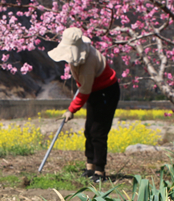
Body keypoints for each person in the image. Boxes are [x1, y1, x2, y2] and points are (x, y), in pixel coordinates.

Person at [48, 27, 120, 183]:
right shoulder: (80, 52)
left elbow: (85, 90)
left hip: (106, 92)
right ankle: (90, 168)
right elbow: (86, 88)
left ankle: (100, 172)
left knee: (98, 132)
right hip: (95, 91)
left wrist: (71, 110)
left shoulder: (88, 62)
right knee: (89, 130)